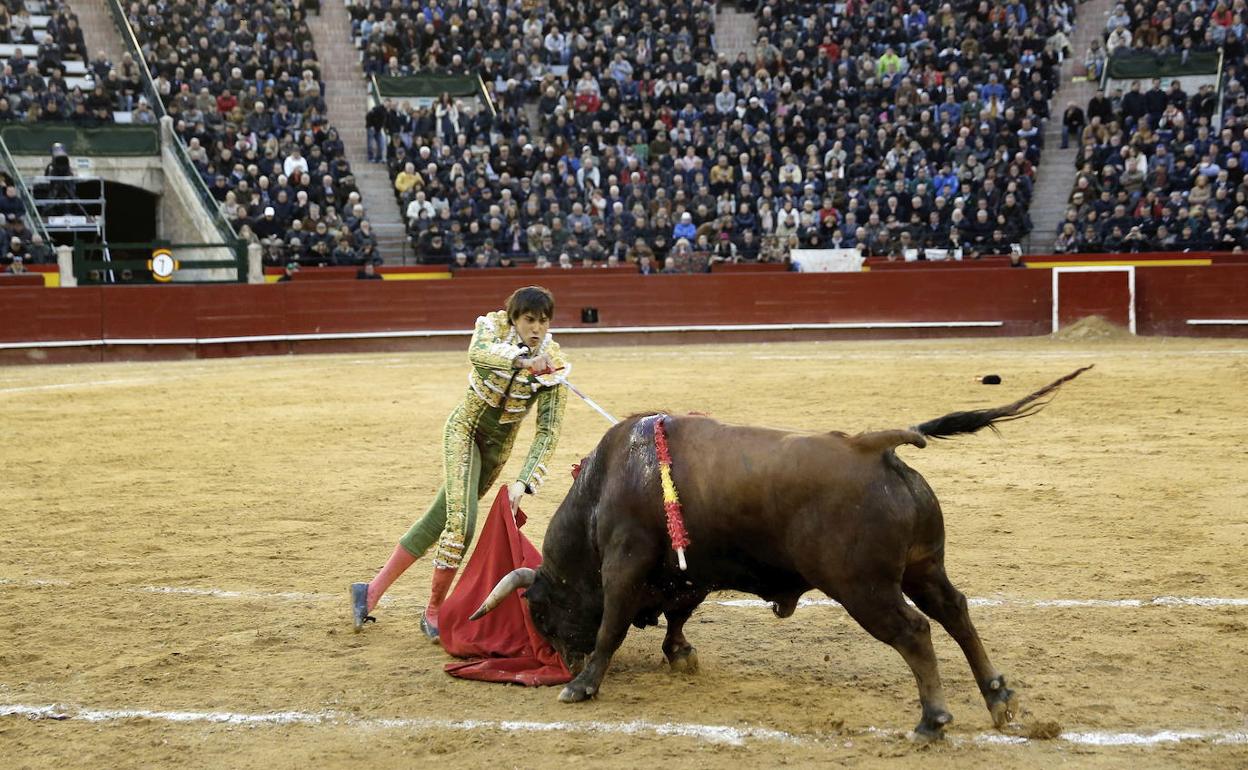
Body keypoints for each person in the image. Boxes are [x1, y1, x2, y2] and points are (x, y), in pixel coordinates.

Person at [351, 286, 569, 639]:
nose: (536, 329)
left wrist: (523, 482)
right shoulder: (493, 329)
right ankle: (434, 610)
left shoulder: (553, 363)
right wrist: (524, 362)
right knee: (461, 523)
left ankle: (370, 591)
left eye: (543, 322)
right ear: (514, 318)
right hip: (464, 431)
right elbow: (478, 354)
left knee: (438, 518)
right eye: (529, 320)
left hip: (495, 454)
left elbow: (547, 431)